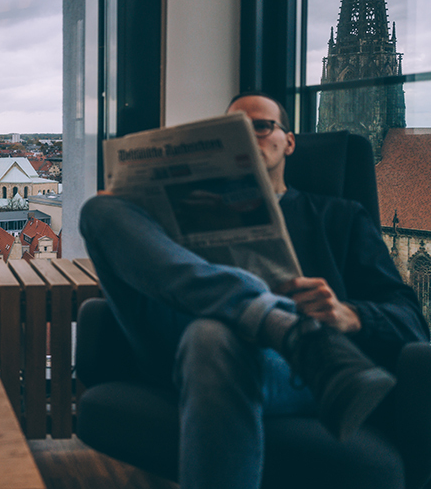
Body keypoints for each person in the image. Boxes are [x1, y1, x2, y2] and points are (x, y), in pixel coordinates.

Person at [79, 92, 429, 489]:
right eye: (233, 131)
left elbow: (412, 323)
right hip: (171, 345)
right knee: (99, 211)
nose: (247, 137)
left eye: (260, 127)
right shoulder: (182, 209)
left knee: (210, 335)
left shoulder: (338, 217)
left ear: (289, 141)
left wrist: (350, 315)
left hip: (286, 369)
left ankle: (280, 330)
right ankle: (283, 324)